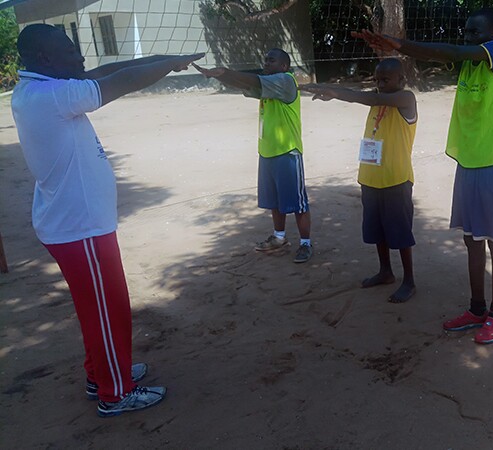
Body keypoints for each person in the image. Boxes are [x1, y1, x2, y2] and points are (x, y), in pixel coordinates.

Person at [11, 24, 204, 417]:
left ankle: (101, 372)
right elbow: (122, 82)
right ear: (46, 58)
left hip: (76, 224)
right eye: (70, 50)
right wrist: (167, 64)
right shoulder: (53, 95)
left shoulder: (42, 87)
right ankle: (114, 392)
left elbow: (111, 70)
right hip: (79, 227)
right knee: (108, 306)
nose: (80, 57)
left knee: (96, 307)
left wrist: (165, 61)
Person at [354, 8, 493, 344]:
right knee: (471, 239)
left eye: (477, 32)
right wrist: (393, 46)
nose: (470, 38)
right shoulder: (469, 64)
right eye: (467, 32)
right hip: (467, 165)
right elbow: (445, 53)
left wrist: (397, 42)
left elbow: (451, 51)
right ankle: (476, 309)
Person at [300, 58, 417, 303]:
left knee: (401, 233)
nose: (379, 84)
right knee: (378, 230)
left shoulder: (405, 99)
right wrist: (334, 92)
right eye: (376, 79)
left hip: (396, 179)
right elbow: (368, 97)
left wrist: (336, 92)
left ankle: (409, 280)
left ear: (401, 80)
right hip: (370, 177)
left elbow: (369, 98)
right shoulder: (377, 97)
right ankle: (385, 271)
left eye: (385, 79)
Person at [192, 49, 313, 264]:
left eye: (271, 61)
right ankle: (279, 237)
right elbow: (247, 84)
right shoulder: (267, 85)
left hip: (288, 152)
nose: (266, 63)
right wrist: (219, 75)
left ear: (284, 66)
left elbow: (252, 80)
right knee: (275, 202)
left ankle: (306, 243)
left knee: (298, 203)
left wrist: (224, 71)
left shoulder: (285, 81)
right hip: (267, 152)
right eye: (265, 60)